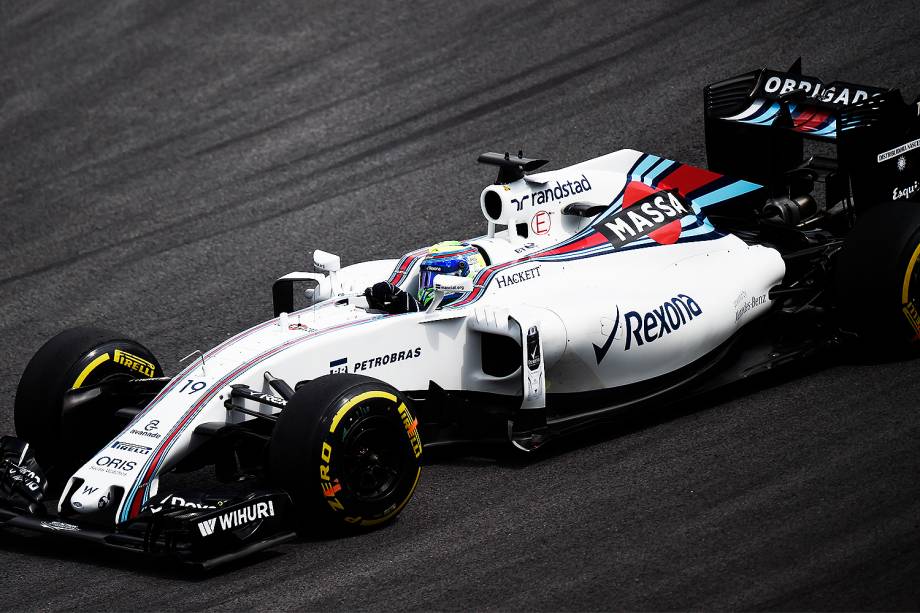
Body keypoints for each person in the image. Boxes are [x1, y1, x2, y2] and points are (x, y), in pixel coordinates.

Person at [364, 241, 486, 314]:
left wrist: (414, 308)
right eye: (427, 277)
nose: (428, 285)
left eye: (435, 278)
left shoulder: (482, 311)